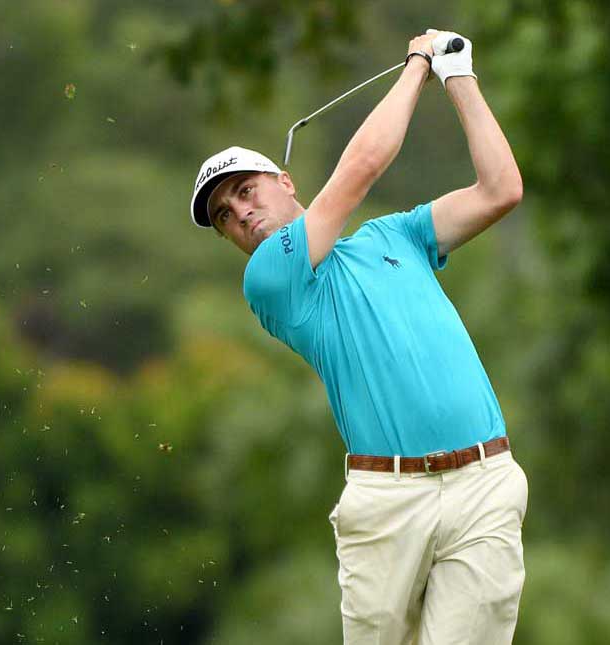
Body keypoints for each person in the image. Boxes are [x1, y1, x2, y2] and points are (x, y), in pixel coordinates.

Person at [188, 30, 528, 645]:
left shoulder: (394, 236)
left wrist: (458, 75)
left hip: (484, 482)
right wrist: (417, 65)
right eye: (224, 217)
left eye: (245, 192)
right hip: (387, 502)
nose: (240, 215)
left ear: (284, 181)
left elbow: (500, 190)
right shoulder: (270, 278)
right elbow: (361, 168)